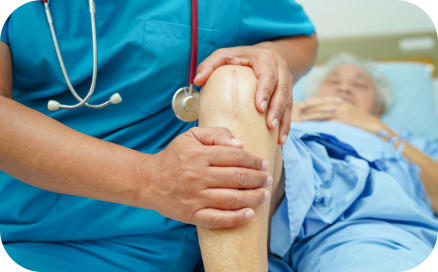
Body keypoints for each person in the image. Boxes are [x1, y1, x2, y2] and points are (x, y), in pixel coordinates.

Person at [0, 1, 317, 271]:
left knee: (241, 83)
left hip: (195, 245)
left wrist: (266, 55)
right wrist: (149, 178)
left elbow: (300, 38)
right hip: (39, 241)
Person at [193, 55, 438, 271]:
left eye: (359, 84)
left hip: (362, 223)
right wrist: (278, 121)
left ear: (377, 107)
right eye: (333, 80)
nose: (344, 87)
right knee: (234, 83)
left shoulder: (402, 139)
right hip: (268, 209)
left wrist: (374, 127)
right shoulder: (284, 114)